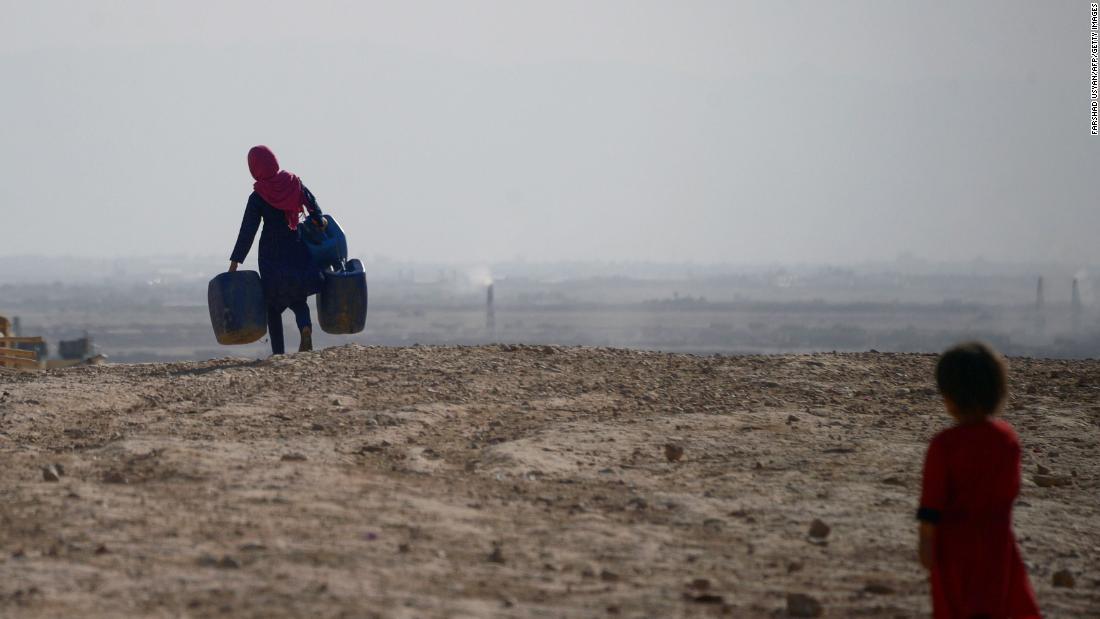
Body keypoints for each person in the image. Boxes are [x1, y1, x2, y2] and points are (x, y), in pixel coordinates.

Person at [917, 341, 1041, 619]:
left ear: (950, 396)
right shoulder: (1007, 438)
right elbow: (1010, 490)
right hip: (997, 543)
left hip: (954, 546)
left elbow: (932, 501)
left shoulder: (945, 445)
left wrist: (926, 542)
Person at [229, 145, 327, 355]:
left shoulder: (258, 196)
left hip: (271, 254)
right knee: (298, 298)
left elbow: (248, 230)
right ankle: (305, 328)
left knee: (273, 306)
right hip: (295, 244)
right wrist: (319, 220)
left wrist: (235, 261)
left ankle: (279, 353)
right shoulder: (292, 182)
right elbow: (312, 204)